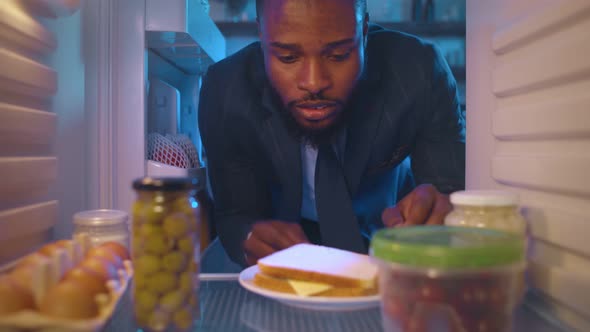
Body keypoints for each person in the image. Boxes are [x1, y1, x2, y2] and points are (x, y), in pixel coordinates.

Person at [198, 0, 465, 267]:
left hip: (389, 246)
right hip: (281, 262)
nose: (314, 83)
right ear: (262, 35)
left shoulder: (419, 72)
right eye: (288, 57)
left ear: (364, 32)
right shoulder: (226, 92)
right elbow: (235, 214)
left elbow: (450, 192)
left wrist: (441, 212)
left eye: (338, 55)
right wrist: (247, 237)